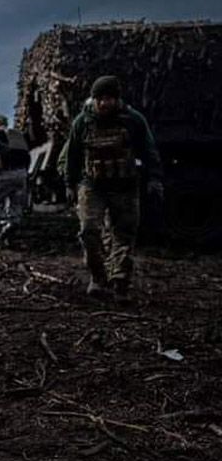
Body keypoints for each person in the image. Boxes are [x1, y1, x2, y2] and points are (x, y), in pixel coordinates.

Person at [61, 75, 163, 299]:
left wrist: (155, 178)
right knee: (89, 231)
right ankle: (98, 276)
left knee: (124, 236)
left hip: (125, 185)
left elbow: (149, 150)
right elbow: (73, 155)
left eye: (109, 98)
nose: (104, 103)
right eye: (99, 98)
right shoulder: (83, 122)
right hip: (92, 185)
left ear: (117, 99)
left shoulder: (133, 120)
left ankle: (120, 282)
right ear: (93, 99)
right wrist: (70, 184)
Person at [0, 114, 31, 242]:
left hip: (6, 173)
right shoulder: (18, 136)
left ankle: (6, 221)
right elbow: (28, 157)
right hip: (22, 174)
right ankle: (10, 235)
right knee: (16, 205)